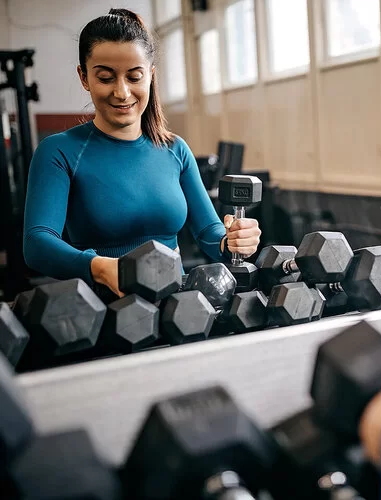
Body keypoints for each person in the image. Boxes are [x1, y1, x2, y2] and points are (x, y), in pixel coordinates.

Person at [23, 8, 261, 298]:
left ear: (150, 76)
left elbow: (209, 233)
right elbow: (37, 243)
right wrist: (100, 267)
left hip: (180, 309)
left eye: (134, 77)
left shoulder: (175, 149)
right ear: (84, 77)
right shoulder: (59, 151)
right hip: (102, 312)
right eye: (105, 77)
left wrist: (233, 241)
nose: (122, 92)